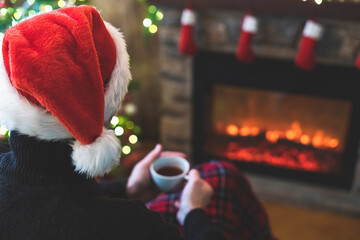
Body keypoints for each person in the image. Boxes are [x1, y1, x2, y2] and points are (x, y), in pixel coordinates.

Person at [0, 6, 274, 240]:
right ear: (102, 104)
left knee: (222, 175)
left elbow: (52, 195)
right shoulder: (131, 226)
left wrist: (127, 189)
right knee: (223, 178)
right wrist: (193, 214)